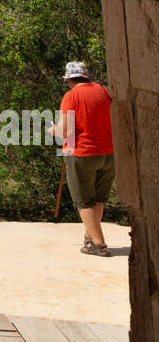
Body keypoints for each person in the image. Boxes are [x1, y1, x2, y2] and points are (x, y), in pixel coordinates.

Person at [54, 61, 115, 256]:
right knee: (97, 199)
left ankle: (99, 244)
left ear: (69, 80)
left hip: (82, 153)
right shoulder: (103, 91)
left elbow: (65, 130)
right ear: (86, 76)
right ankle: (89, 240)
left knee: (84, 201)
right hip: (108, 154)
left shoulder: (71, 96)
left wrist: (51, 130)